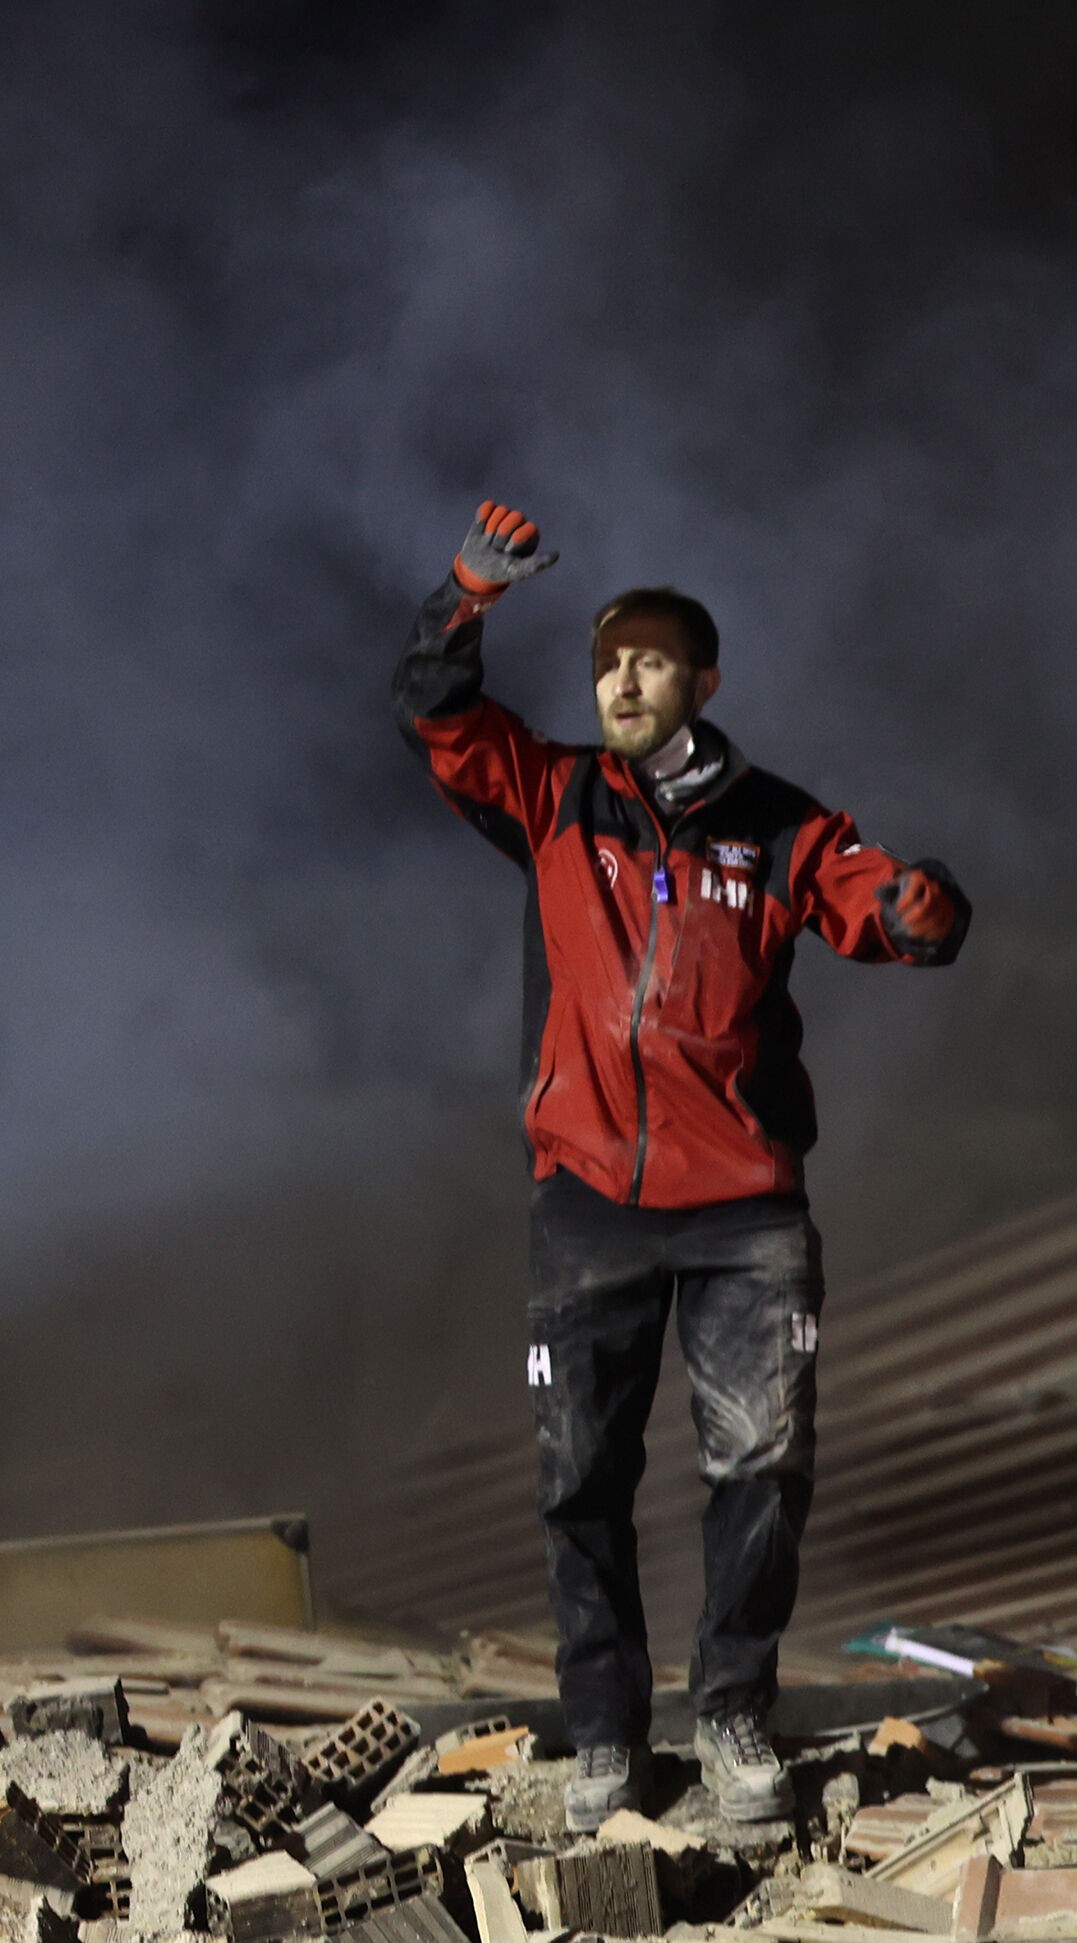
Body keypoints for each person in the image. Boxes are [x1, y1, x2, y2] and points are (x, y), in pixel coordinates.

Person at [393, 502, 971, 1829]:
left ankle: (730, 1718)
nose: (620, 679)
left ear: (703, 682)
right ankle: (606, 1737)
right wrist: (466, 593)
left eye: (649, 660)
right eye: (605, 662)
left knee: (759, 1469)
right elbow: (430, 709)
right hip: (585, 1207)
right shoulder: (552, 798)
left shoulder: (776, 828)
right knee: (576, 1482)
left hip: (746, 1220)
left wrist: (920, 908)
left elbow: (883, 909)